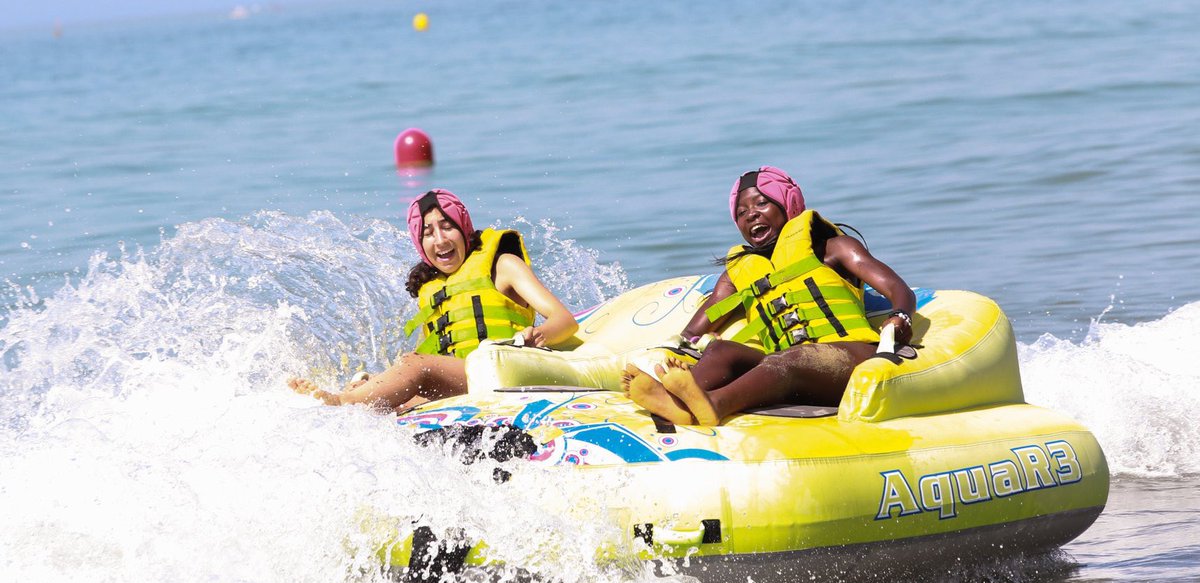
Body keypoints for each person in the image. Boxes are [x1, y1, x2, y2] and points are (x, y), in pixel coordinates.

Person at [624, 166, 915, 426]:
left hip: (850, 358)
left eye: (761, 203)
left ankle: (714, 404)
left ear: (787, 204)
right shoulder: (739, 273)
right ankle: (677, 405)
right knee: (721, 351)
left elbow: (895, 287)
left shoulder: (832, 248)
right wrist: (673, 352)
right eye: (741, 212)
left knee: (788, 359)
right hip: (789, 366)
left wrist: (900, 316)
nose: (751, 214)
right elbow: (696, 330)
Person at [290, 189, 578, 410]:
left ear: (464, 230)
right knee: (394, 404)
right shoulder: (432, 289)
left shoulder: (502, 265)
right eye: (428, 233)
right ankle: (353, 397)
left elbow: (565, 321)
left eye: (447, 227)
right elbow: (436, 356)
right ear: (420, 244)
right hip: (464, 380)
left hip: (505, 367)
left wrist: (537, 335)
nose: (440, 240)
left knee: (416, 365)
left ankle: (342, 402)